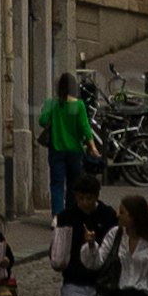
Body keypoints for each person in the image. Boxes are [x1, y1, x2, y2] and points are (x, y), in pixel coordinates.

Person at [42, 69, 100, 210]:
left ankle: (57, 216)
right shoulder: (78, 105)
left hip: (56, 149)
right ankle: (70, 213)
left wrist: (53, 118)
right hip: (75, 150)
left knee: (56, 184)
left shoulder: (52, 103)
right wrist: (92, 147)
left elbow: (42, 121)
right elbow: (84, 128)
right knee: (74, 184)